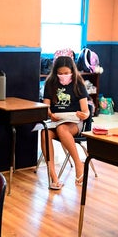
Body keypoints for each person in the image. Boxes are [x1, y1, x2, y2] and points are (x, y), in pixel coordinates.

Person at [41, 54, 91, 190]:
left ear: (72, 72)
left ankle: (78, 164)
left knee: (62, 129)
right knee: (44, 133)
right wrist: (50, 114)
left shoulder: (78, 84)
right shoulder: (50, 83)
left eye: (66, 73)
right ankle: (53, 177)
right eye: (60, 73)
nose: (63, 76)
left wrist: (84, 114)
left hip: (73, 123)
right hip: (55, 121)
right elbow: (46, 107)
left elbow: (86, 111)